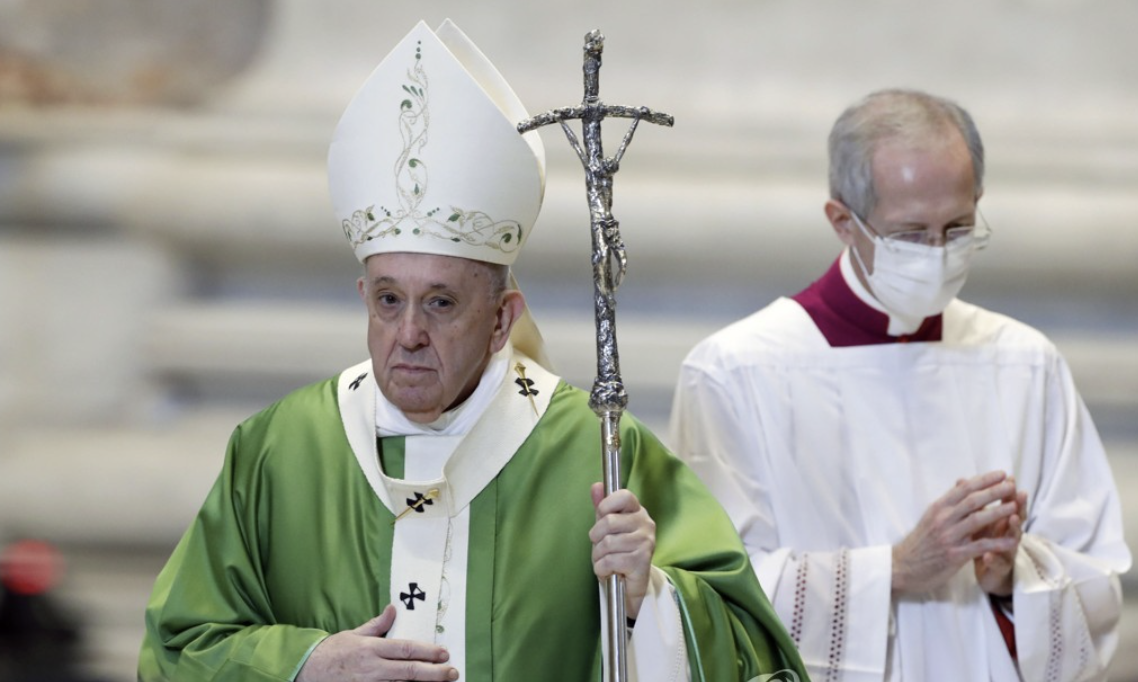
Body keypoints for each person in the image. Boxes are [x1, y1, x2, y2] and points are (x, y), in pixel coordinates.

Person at [137, 20, 807, 682]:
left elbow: (754, 657)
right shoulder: (280, 450)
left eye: (441, 303)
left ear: (501, 318)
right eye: (388, 300)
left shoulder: (594, 450)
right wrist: (304, 666)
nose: (408, 335)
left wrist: (646, 601)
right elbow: (175, 651)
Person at [669, 88, 1131, 681]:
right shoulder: (735, 372)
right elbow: (710, 595)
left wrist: (1012, 578)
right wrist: (892, 568)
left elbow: (1095, 575)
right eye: (911, 235)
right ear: (843, 222)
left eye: (958, 228)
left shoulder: (1024, 362)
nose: (938, 254)